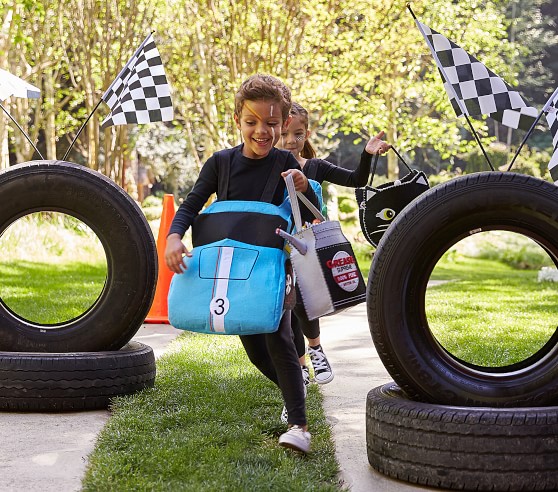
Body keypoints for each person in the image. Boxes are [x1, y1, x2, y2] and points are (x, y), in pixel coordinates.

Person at [165, 75, 321, 454]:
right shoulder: (220, 163)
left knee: (279, 336)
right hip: (231, 268)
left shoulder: (287, 162)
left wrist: (304, 186)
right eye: (252, 122)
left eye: (271, 123)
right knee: (253, 345)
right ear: (237, 120)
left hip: (272, 267)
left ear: (284, 124)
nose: (261, 131)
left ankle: (300, 425)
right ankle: (293, 389)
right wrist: (174, 236)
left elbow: (313, 214)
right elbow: (191, 204)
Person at [277, 101, 391, 387]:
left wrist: (366, 153)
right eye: (285, 134)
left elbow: (357, 179)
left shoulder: (314, 167)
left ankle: (316, 349)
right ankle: (301, 365)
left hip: (310, 249)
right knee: (286, 306)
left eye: (299, 134)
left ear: (308, 134)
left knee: (306, 302)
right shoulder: (267, 169)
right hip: (278, 248)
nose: (291, 141)